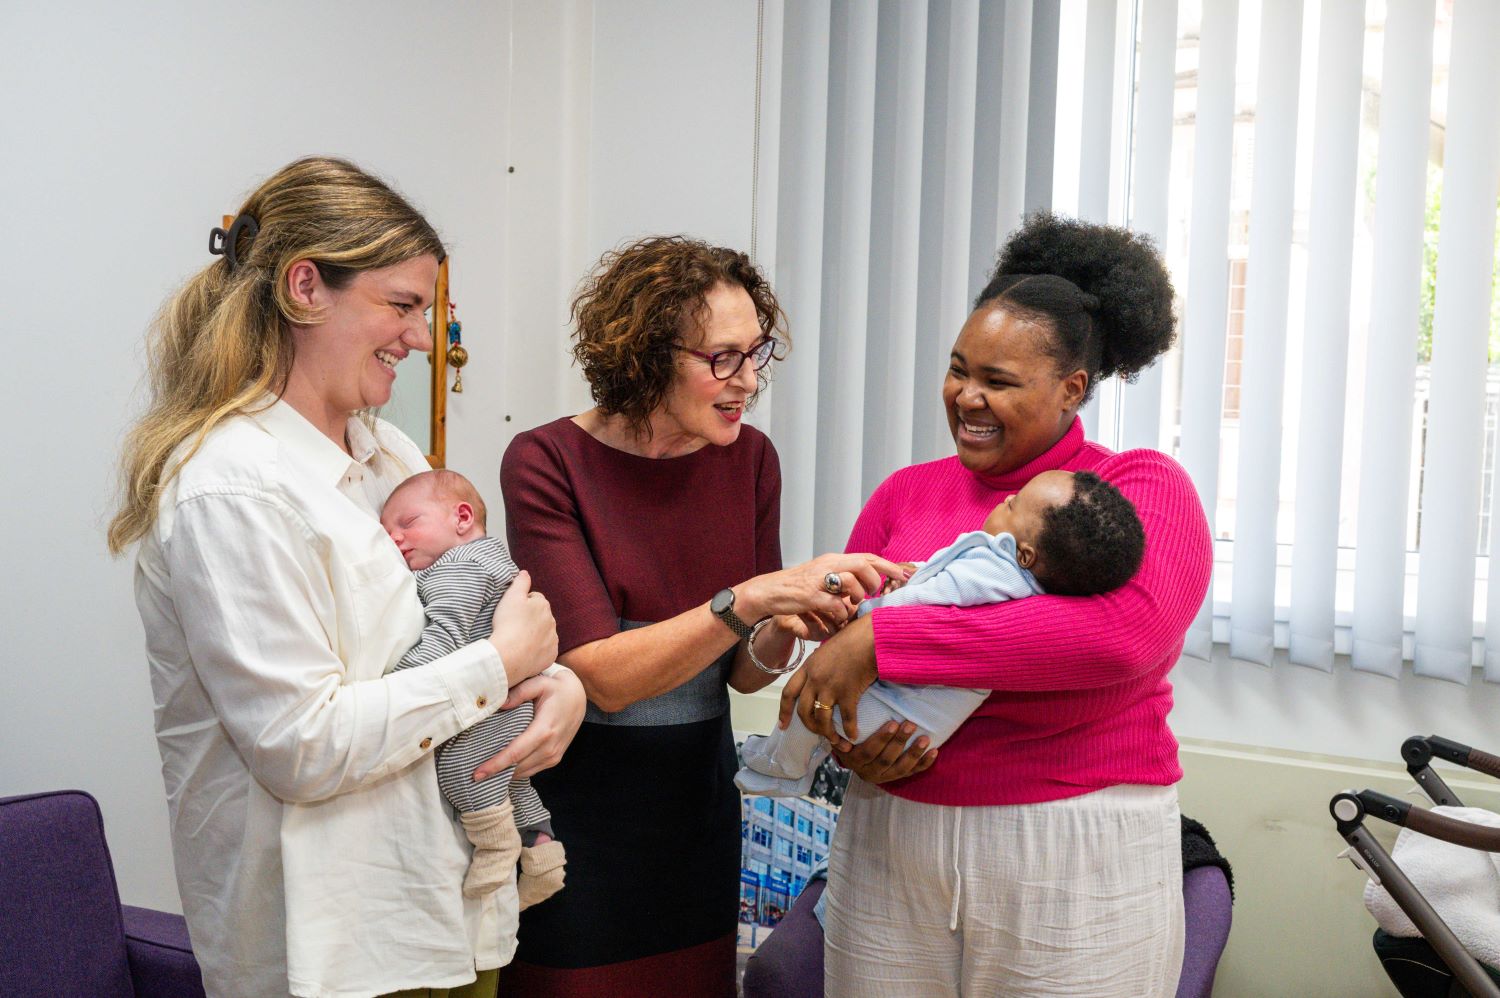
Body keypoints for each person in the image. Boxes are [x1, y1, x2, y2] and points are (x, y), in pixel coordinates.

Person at [109, 156, 586, 998]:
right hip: (330, 956)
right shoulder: (229, 488)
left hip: (443, 916)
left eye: (428, 311)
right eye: (401, 306)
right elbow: (304, 747)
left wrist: (557, 687)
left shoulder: (389, 457)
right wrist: (497, 669)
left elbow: (482, 607)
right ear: (304, 287)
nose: (419, 337)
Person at [780, 212, 1214, 997]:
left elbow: (1120, 637)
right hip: (891, 841)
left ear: (1071, 389)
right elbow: (838, 651)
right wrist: (849, 742)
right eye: (957, 368)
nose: (966, 397)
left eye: (1000, 381)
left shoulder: (1139, 488)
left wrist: (890, 645)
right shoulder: (905, 493)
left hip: (1075, 849)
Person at [498, 236, 906, 997]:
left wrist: (795, 616)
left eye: (756, 353)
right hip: (578, 824)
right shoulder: (546, 462)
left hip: (695, 820)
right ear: (648, 355)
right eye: (723, 357)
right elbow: (604, 676)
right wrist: (753, 597)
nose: (747, 380)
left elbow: (745, 670)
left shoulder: (749, 459)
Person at [736, 469, 1144, 798]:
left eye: (1014, 504)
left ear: (1025, 554)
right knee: (824, 717)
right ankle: (786, 761)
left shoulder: (997, 571)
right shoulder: (1012, 570)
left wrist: (868, 616)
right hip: (913, 711)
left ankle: (783, 768)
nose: (1005, 500)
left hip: (906, 712)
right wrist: (911, 573)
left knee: (815, 714)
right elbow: (942, 578)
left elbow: (934, 598)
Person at [380, 469, 567, 909]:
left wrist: (392, 683)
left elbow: (445, 636)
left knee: (467, 771)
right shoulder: (492, 560)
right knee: (511, 780)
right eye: (387, 532)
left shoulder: (459, 568)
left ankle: (496, 848)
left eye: (407, 524)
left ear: (462, 517)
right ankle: (544, 856)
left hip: (494, 700)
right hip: (514, 695)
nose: (395, 538)